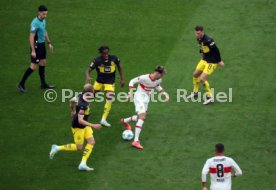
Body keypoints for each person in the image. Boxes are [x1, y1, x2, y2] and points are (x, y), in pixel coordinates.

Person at [49, 84, 102, 171]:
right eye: (93, 92)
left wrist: (72, 111)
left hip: (84, 125)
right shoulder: (83, 105)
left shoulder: (80, 94)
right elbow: (80, 120)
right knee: (79, 147)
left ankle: (83, 163)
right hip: (78, 126)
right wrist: (94, 125)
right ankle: (57, 147)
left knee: (91, 142)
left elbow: (71, 101)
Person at [121, 66, 169, 150]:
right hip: (139, 97)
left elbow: (157, 85)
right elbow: (132, 81)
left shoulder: (158, 79)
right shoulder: (144, 78)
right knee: (142, 116)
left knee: (142, 118)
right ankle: (136, 141)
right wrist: (130, 93)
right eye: (162, 75)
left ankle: (125, 121)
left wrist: (164, 93)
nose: (162, 76)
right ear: (158, 73)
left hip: (146, 99)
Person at [18, 5, 54, 93]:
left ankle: (43, 84)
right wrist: (33, 51)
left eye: (46, 14)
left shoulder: (43, 20)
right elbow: (31, 38)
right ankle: (21, 84)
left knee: (43, 63)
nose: (45, 16)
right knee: (33, 67)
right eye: (43, 14)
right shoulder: (34, 23)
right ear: (39, 13)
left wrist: (49, 43)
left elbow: (44, 31)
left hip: (42, 45)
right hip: (36, 46)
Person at [85, 46, 125, 127]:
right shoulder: (97, 60)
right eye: (104, 53)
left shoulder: (114, 58)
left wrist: (122, 79)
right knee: (91, 95)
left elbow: (119, 67)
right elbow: (87, 70)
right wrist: (88, 76)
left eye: (107, 53)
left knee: (110, 97)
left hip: (110, 82)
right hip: (99, 81)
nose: (106, 55)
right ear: (101, 53)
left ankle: (103, 119)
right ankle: (84, 107)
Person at [188, 26, 224, 105]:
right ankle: (195, 92)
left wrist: (219, 61)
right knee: (195, 74)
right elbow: (201, 46)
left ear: (202, 32)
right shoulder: (198, 38)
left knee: (202, 79)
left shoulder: (209, 40)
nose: (197, 35)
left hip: (212, 61)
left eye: (198, 33)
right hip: (204, 59)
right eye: (196, 33)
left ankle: (210, 97)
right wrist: (201, 53)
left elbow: (216, 50)